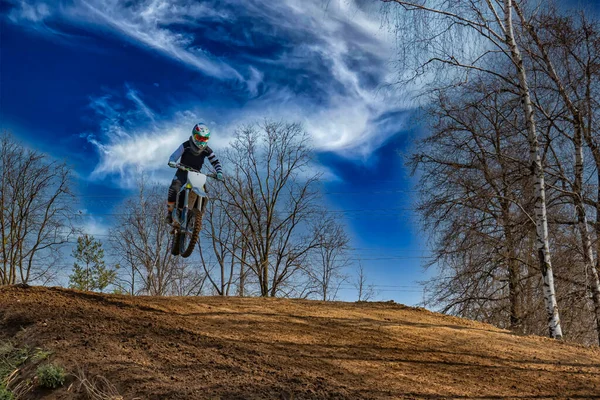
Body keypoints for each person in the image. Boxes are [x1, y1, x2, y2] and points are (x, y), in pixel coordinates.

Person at [166, 123, 223, 223]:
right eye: (199, 138)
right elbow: (174, 156)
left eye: (204, 139)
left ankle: (198, 215)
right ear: (193, 135)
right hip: (183, 170)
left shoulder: (207, 150)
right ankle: (170, 213)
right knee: (175, 188)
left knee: (204, 192)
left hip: (196, 174)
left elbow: (215, 161)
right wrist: (172, 161)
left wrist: (219, 172)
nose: (201, 141)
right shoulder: (186, 145)